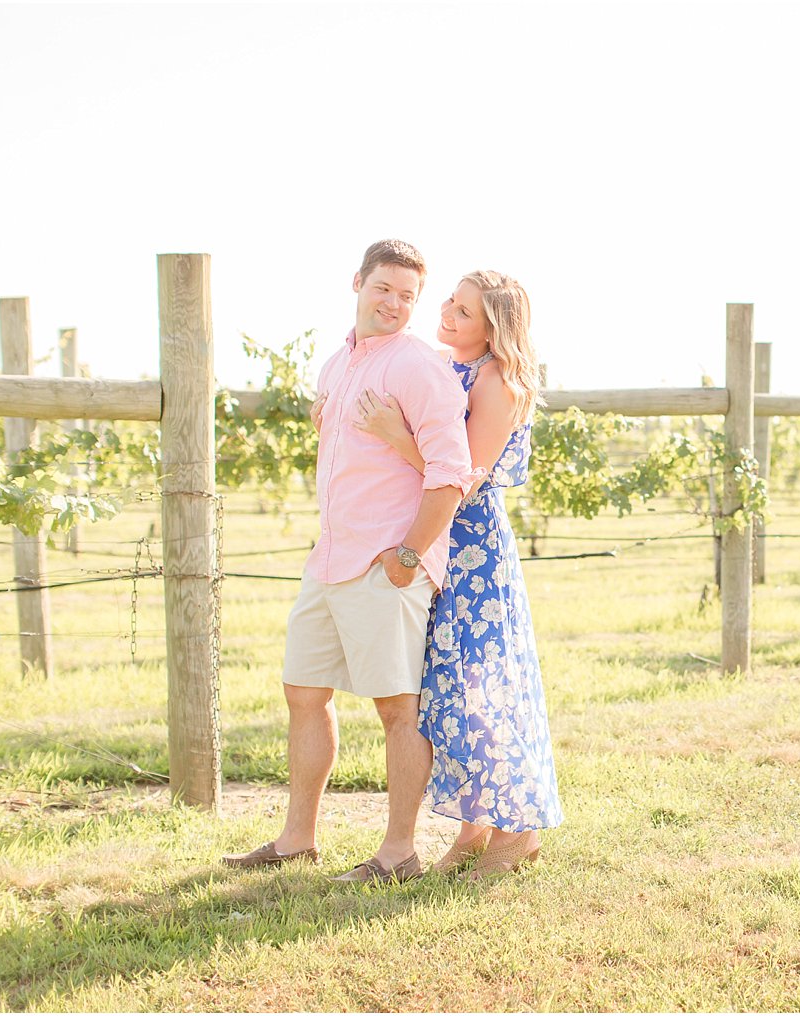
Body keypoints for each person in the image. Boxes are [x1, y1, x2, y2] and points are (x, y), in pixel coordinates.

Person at [222, 239, 479, 884]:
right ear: (358, 283)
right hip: (330, 556)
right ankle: (297, 838)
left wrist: (408, 555)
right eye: (384, 289)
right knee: (304, 692)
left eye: (407, 296)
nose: (393, 304)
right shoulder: (337, 365)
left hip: (385, 561)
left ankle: (398, 852)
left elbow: (451, 474)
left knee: (396, 708)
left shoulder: (421, 369)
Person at [352, 269, 562, 879]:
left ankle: (516, 832)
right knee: (451, 688)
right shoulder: (446, 370)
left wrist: (395, 436)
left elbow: (465, 480)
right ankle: (474, 828)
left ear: (493, 327)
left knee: (484, 685)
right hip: (440, 542)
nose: (446, 312)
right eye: (450, 301)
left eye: (464, 311)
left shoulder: (497, 381)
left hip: (473, 550)